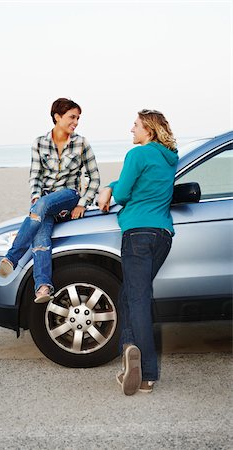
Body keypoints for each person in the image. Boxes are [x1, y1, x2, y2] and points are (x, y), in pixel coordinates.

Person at [98, 109, 178, 395]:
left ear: (149, 130)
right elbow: (141, 186)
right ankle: (130, 352)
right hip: (163, 236)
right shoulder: (170, 158)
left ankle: (146, 373)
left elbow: (123, 195)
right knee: (130, 294)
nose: (131, 129)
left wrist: (108, 188)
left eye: (135, 125)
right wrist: (112, 186)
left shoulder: (137, 155)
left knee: (138, 298)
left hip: (138, 233)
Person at [0, 98, 100, 303]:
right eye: (72, 117)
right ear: (57, 117)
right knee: (41, 241)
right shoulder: (39, 143)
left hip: (69, 196)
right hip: (45, 202)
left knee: (41, 205)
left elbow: (94, 177)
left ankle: (12, 257)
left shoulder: (81, 143)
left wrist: (82, 203)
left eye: (78, 118)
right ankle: (43, 287)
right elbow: (35, 176)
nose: (76, 122)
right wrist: (36, 197)